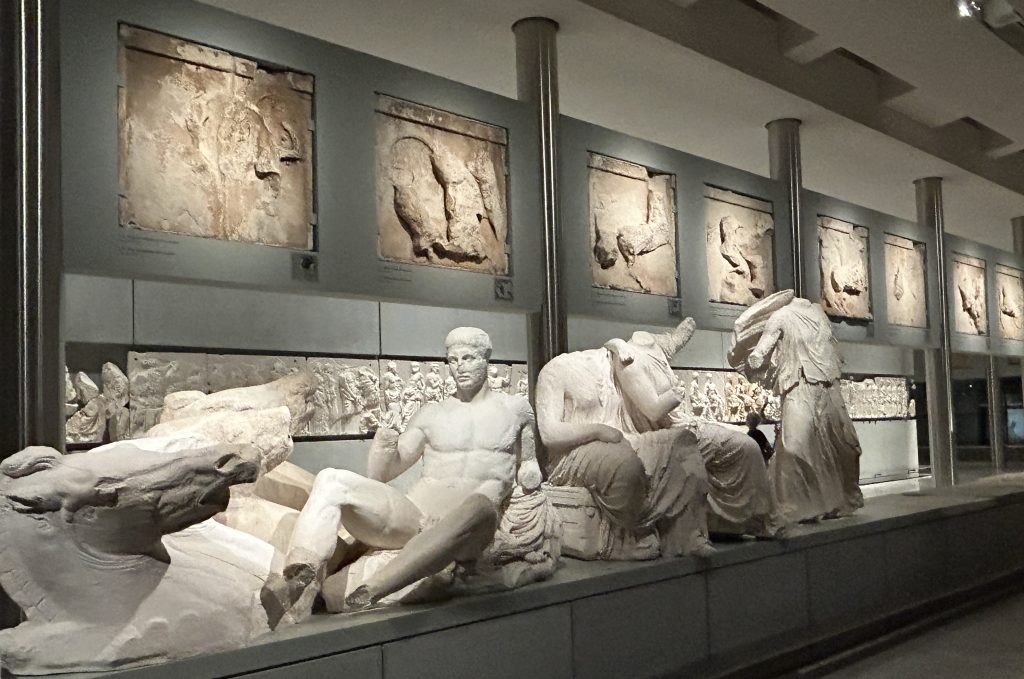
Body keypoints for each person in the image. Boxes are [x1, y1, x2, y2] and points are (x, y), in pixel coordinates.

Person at [261, 327, 539, 621]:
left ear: (486, 359)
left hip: (475, 529)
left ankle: (372, 588)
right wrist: (385, 440)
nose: (460, 367)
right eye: (453, 360)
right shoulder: (432, 414)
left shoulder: (515, 409)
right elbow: (382, 474)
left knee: (478, 504)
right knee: (331, 478)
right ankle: (297, 579)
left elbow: (531, 471)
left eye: (468, 358)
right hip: (418, 519)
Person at [734, 292, 863, 523]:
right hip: (798, 383)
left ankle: (843, 500)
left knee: (846, 445)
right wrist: (756, 357)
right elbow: (763, 347)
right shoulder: (781, 316)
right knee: (794, 447)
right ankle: (798, 505)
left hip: (828, 385)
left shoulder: (819, 314)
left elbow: (832, 348)